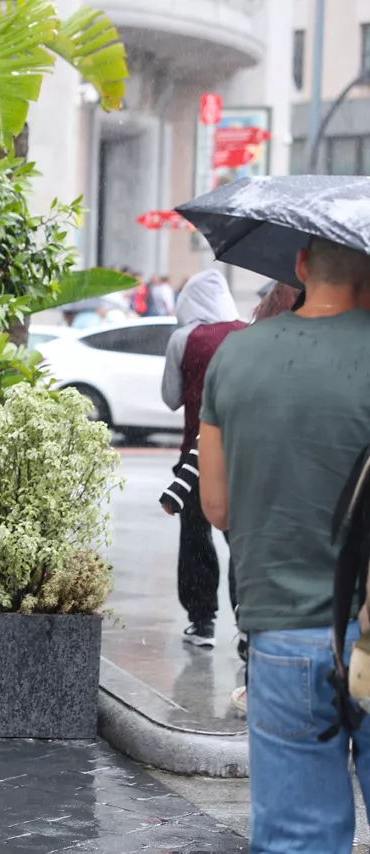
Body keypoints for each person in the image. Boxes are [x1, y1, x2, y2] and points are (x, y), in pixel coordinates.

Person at [199, 238, 370, 853]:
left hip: (286, 639)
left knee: (298, 840)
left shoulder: (236, 355)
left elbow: (216, 506)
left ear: (300, 267)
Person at [161, 269, 244, 647]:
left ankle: (202, 621)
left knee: (196, 535)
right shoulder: (251, 333)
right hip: (243, 453)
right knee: (241, 539)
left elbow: (170, 397)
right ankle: (246, 624)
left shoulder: (183, 338)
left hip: (195, 452)